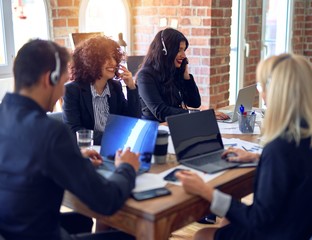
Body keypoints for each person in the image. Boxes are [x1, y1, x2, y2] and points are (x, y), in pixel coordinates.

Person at [175, 53, 312, 240]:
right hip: (305, 227)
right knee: (227, 221)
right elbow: (298, 165)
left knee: (202, 234)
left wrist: (205, 191)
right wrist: (257, 158)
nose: (261, 93)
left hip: (280, 233)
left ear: (276, 91)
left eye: (262, 86)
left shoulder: (279, 147)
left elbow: (257, 219)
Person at [0, 39, 139, 240]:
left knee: (81, 220)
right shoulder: (51, 132)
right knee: (132, 236)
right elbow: (106, 200)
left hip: (11, 229)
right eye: (63, 81)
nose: (62, 92)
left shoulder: (6, 114)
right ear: (50, 78)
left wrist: (73, 156)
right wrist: (126, 168)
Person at [136, 28, 229, 122]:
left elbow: (195, 102)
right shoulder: (145, 76)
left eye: (184, 50)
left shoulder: (173, 72)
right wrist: (201, 114)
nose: (184, 55)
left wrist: (186, 75)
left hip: (175, 125)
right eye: (179, 50)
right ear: (164, 51)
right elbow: (161, 111)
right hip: (156, 130)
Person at [63, 36, 141, 145]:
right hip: (89, 150)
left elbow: (132, 121)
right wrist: (112, 136)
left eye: (114, 57)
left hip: (115, 146)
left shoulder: (115, 87)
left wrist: (131, 88)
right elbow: (74, 130)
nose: (113, 62)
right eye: (106, 58)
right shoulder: (72, 90)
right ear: (91, 60)